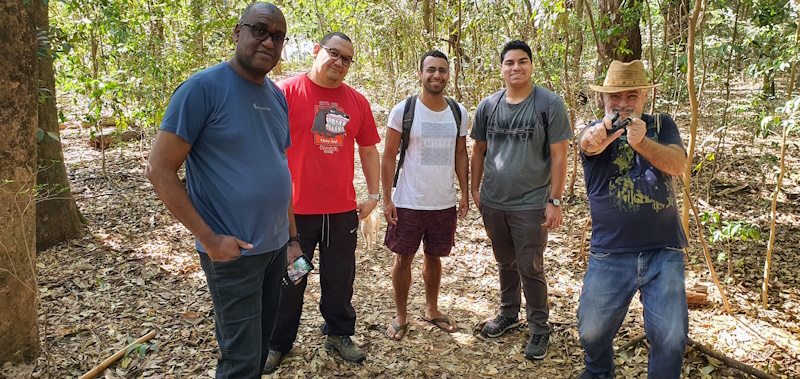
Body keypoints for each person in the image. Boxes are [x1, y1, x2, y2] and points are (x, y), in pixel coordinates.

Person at [145, 3, 299, 378]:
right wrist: (210, 239)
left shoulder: (276, 96)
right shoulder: (202, 89)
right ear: (237, 32)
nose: (268, 42)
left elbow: (279, 169)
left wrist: (292, 238)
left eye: (278, 37)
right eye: (260, 30)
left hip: (275, 248)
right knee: (240, 359)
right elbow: (159, 169)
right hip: (235, 255)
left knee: (260, 348)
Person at [265, 32, 380, 372]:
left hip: (341, 210)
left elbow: (369, 149)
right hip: (293, 213)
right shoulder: (283, 93)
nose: (340, 63)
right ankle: (277, 343)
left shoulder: (356, 101)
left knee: (339, 278)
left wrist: (373, 195)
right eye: (334, 53)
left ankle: (339, 333)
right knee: (290, 279)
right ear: (316, 51)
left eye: (347, 59)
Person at [575, 59, 689, 379]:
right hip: (610, 252)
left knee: (670, 336)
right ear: (604, 99)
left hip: (663, 251)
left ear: (644, 98)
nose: (623, 104)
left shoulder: (662, 125)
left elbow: (678, 164)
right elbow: (589, 144)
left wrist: (642, 142)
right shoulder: (594, 128)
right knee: (591, 331)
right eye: (616, 97)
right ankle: (600, 372)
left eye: (632, 97)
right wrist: (608, 132)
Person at [470, 40, 572, 361]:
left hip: (531, 203)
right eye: (510, 62)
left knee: (531, 265)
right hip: (494, 202)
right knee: (505, 260)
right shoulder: (488, 106)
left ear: (531, 65)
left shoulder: (549, 104)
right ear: (501, 68)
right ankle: (509, 313)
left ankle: (540, 328)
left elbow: (559, 155)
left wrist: (554, 200)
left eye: (522, 61)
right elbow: (478, 150)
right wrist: (475, 190)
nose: (516, 68)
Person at [381, 50, 469, 341]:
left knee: (435, 257)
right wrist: (387, 198)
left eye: (442, 70)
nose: (437, 75)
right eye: (430, 69)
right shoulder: (403, 110)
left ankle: (432, 309)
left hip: (443, 202)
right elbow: (388, 156)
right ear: (420, 74)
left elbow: (460, 154)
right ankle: (401, 315)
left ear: (448, 75)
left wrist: (465, 193)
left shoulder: (458, 112)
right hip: (409, 202)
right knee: (403, 258)